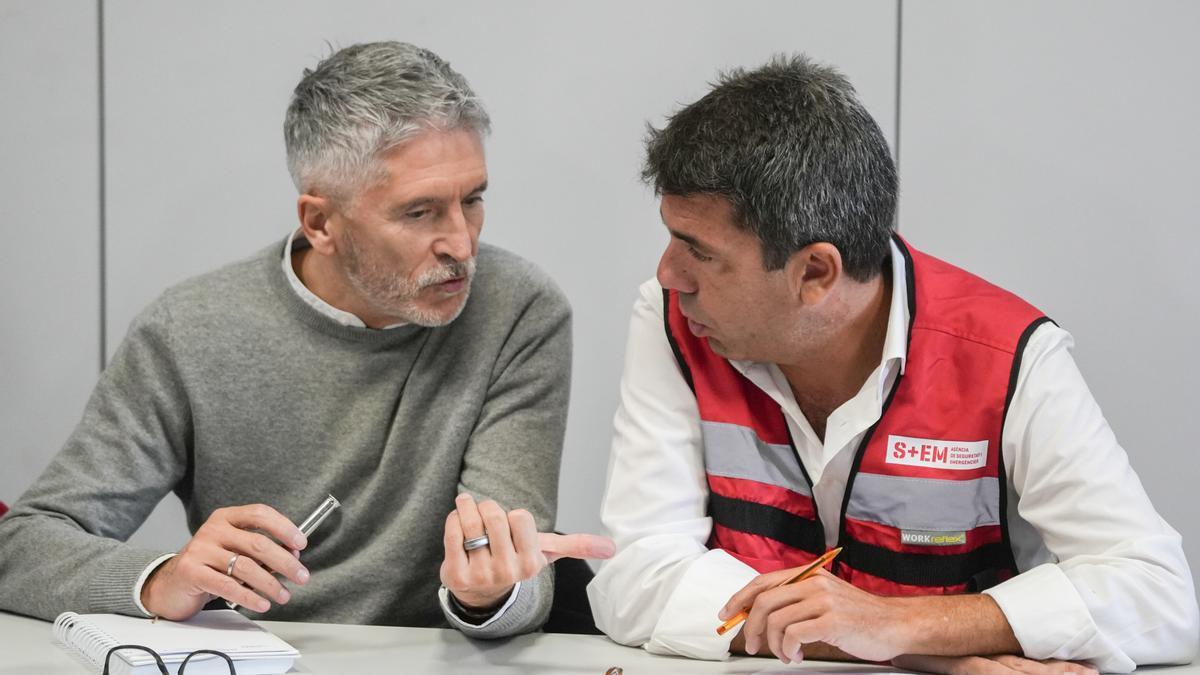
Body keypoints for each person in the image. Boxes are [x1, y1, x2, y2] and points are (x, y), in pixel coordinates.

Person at [587, 54, 1198, 672]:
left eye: (700, 252)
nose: (669, 273)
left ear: (816, 273)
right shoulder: (675, 319)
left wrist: (899, 623)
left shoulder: (1006, 353)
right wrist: (915, 650)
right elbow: (634, 580)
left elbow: (1160, 595)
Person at [0, 41, 612, 638]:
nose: (462, 244)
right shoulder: (188, 329)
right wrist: (161, 578)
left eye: (472, 200)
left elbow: (519, 580)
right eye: (419, 212)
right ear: (320, 223)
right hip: (254, 657)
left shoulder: (519, 309)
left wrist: (492, 593)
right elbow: (22, 546)